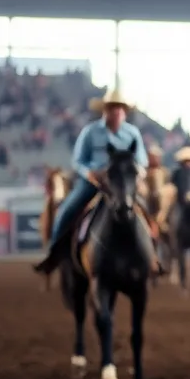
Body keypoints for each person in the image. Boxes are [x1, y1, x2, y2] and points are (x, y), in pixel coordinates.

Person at [34, 89, 151, 276]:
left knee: (147, 211)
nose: (117, 111)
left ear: (125, 112)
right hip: (93, 183)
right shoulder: (90, 132)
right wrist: (88, 173)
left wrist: (140, 173)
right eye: (113, 107)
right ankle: (53, 254)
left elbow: (142, 160)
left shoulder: (132, 133)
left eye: (120, 108)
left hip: (123, 184)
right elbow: (78, 160)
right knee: (67, 210)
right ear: (105, 110)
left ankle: (152, 257)